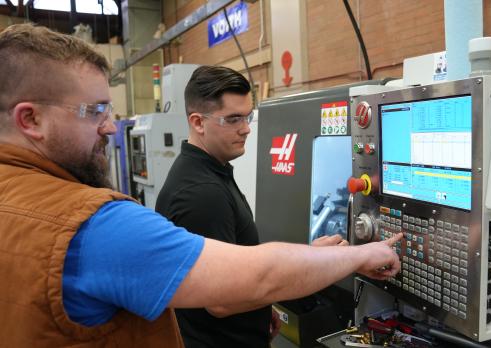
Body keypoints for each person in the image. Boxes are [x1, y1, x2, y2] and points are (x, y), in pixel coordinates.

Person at [0, 23, 402, 347]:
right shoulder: (92, 225)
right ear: (30, 120)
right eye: (94, 111)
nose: (109, 126)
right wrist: (357, 257)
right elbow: (250, 281)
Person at [156, 66, 351, 347]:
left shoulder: (210, 171)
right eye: (233, 119)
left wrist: (259, 309)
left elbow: (231, 264)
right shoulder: (201, 194)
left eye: (247, 116)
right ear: (198, 122)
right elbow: (221, 300)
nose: (247, 128)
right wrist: (310, 260)